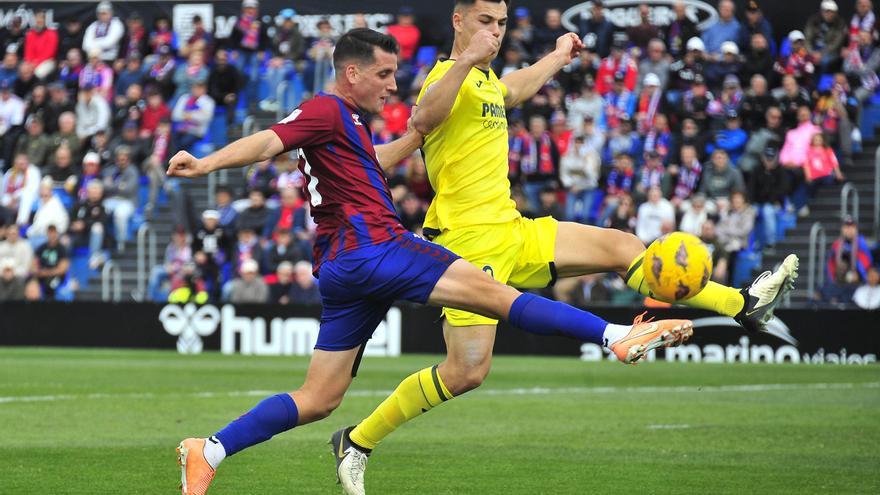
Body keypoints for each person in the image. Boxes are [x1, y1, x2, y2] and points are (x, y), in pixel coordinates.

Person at [169, 27, 699, 495]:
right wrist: (206, 163)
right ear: (350, 73)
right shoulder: (326, 108)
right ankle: (614, 337)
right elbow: (269, 141)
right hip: (375, 247)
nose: (393, 85)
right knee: (494, 294)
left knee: (319, 397)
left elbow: (374, 161)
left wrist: (418, 137)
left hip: (342, 267)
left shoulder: (347, 123)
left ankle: (209, 451)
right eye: (383, 74)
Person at [341, 3, 796, 493]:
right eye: (483, 23)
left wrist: (559, 54)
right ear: (458, 21)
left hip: (513, 229)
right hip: (467, 245)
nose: (493, 33)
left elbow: (516, 86)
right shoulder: (447, 77)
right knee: (466, 372)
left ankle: (743, 304)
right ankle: (357, 441)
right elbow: (424, 119)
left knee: (623, 246)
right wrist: (469, 59)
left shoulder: (487, 82)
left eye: (500, 24)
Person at [748, 147, 789, 250]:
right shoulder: (756, 169)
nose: (769, 161)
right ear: (762, 158)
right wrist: (750, 203)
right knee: (749, 212)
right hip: (757, 202)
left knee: (767, 211)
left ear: (776, 158)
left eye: (771, 158)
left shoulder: (781, 171)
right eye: (767, 158)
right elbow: (751, 188)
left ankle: (770, 243)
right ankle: (749, 244)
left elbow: (782, 189)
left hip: (774, 203)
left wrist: (773, 201)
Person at [101, 146, 139, 250]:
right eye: (119, 159)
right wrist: (120, 185)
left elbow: (129, 189)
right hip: (112, 200)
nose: (121, 162)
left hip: (127, 201)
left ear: (128, 159)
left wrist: (113, 185)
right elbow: (105, 186)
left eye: (124, 159)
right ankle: (105, 239)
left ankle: (120, 242)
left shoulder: (133, 171)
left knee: (120, 214)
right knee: (101, 210)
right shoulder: (111, 170)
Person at [171, 80, 215, 152]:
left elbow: (206, 118)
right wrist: (194, 114)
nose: (197, 90)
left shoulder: (208, 101)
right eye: (195, 87)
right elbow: (175, 115)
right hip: (181, 129)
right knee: (170, 139)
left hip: (196, 132)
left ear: (205, 90)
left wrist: (190, 115)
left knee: (183, 142)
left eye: (200, 88)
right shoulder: (184, 98)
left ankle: (178, 160)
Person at [805, 1, 848, 74]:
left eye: (832, 12)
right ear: (822, 11)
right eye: (827, 11)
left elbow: (836, 44)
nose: (829, 14)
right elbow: (807, 39)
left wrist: (821, 53)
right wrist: (812, 52)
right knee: (802, 58)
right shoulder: (814, 20)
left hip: (830, 51)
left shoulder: (840, 23)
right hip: (813, 49)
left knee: (824, 61)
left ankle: (822, 82)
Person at [32, 224, 69, 299]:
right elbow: (34, 262)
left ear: (57, 234)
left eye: (54, 233)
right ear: (47, 234)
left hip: (57, 276)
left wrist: (46, 273)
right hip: (41, 274)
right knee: (30, 283)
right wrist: (36, 271)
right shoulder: (41, 248)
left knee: (50, 284)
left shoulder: (62, 249)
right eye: (50, 233)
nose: (52, 235)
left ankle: (50, 307)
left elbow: (62, 269)